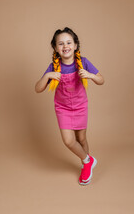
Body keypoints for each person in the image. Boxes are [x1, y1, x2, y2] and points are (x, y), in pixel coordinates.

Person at [35, 27, 104, 185]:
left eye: (68, 42)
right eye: (60, 43)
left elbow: (101, 80)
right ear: (55, 48)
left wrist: (91, 75)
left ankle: (85, 166)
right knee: (68, 140)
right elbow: (38, 89)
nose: (65, 46)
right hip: (63, 108)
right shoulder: (54, 66)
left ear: (75, 45)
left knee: (81, 138)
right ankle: (88, 161)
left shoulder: (83, 62)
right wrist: (47, 76)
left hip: (80, 106)